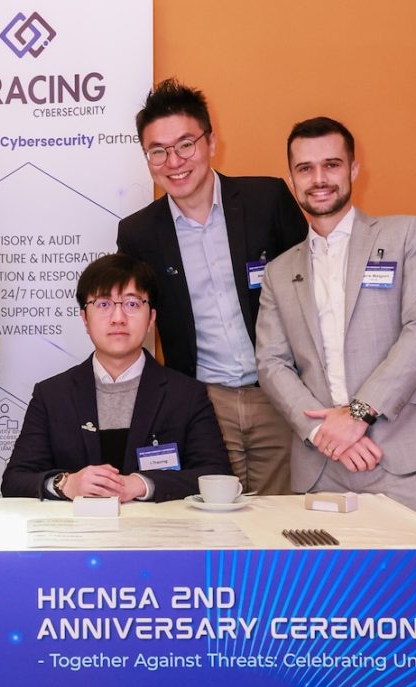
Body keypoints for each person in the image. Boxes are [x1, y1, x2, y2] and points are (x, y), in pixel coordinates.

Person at [255, 117, 416, 525]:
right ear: (291, 180)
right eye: (305, 168)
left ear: (353, 169)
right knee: (328, 570)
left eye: (331, 165)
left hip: (402, 453)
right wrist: (325, 434)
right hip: (322, 463)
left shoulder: (405, 235)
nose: (319, 179)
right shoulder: (278, 272)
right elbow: (271, 363)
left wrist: (358, 415)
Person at [117, 78, 308, 496]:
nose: (174, 161)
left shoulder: (266, 200)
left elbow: (312, 288)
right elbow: (132, 322)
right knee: (215, 521)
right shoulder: (139, 234)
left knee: (282, 517)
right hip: (203, 404)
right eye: (157, 151)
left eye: (185, 144)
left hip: (281, 394)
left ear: (211, 141)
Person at [1, 254, 230, 501]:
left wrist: (143, 485)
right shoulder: (52, 395)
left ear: (151, 318)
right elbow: (15, 480)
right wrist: (66, 483)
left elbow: (217, 474)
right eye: (103, 304)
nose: (118, 318)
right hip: (76, 525)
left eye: (132, 304)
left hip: (156, 525)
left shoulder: (186, 394)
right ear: (84, 319)